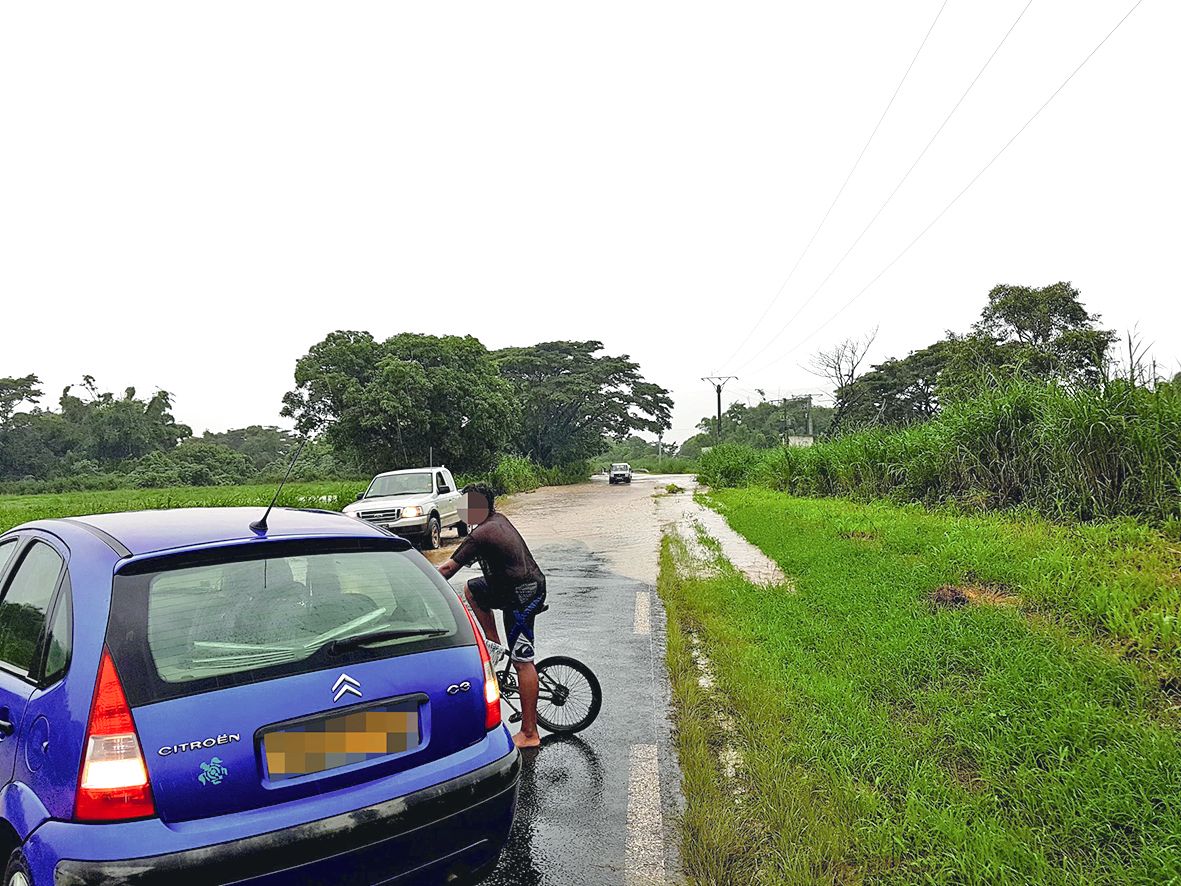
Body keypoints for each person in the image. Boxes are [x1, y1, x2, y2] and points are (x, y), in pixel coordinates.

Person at [437, 483, 546, 749]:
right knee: (473, 589)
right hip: (515, 587)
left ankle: (530, 733)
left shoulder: (482, 533)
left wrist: (421, 583)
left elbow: (448, 569)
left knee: (523, 661)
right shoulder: (497, 520)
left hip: (523, 596)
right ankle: (493, 641)